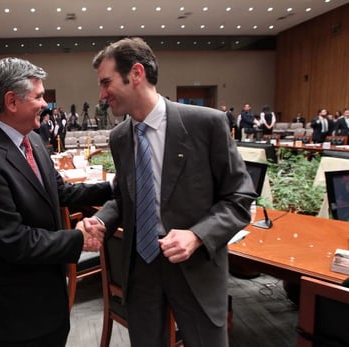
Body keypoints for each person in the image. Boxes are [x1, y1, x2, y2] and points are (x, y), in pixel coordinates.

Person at [87, 37, 256, 347]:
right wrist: (103, 221)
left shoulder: (207, 124)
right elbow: (124, 198)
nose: (101, 94)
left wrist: (197, 235)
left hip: (197, 268)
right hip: (142, 270)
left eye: (106, 82)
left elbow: (240, 199)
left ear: (136, 74)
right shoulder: (120, 137)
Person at [0, 57, 113, 347]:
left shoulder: (35, 141)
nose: (45, 104)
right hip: (10, 315)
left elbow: (60, 192)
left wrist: (111, 186)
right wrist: (78, 238)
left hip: (49, 300)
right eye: (39, 96)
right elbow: (14, 240)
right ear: (12, 101)